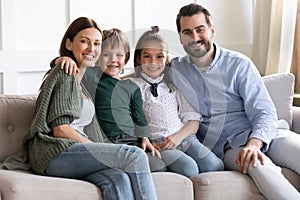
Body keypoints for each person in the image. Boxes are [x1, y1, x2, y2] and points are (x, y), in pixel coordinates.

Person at [3, 17, 157, 200]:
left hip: (75, 154)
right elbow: (60, 129)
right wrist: (95, 148)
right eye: (84, 41)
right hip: (55, 152)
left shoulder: (84, 81)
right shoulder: (65, 72)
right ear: (69, 44)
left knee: (118, 179)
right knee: (134, 155)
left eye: (97, 43)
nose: (92, 49)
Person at [170, 3, 300, 199]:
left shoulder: (239, 64)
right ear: (180, 38)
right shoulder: (176, 69)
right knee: (258, 165)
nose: (195, 37)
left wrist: (255, 143)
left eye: (200, 29)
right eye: (187, 32)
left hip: (269, 135)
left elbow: (264, 111)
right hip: (231, 147)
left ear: (212, 31)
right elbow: (144, 72)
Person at [129, 26, 224, 175]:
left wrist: (178, 137)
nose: (153, 62)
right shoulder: (134, 86)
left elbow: (193, 120)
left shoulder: (173, 83)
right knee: (189, 168)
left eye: (159, 56)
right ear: (139, 58)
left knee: (214, 166)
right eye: (147, 56)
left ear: (167, 59)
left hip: (185, 138)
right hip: (161, 144)